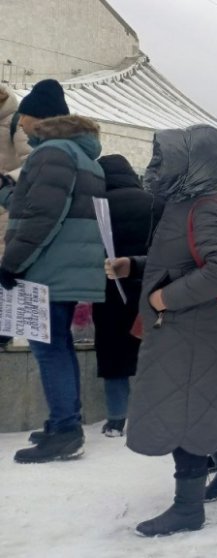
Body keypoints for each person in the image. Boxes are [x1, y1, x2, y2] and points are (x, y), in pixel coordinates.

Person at [106, 124, 217, 536]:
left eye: (165, 158)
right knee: (200, 403)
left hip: (191, 329)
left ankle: (188, 507)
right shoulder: (189, 202)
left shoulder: (204, 206)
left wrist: (165, 299)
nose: (156, 167)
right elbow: (181, 259)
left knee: (183, 412)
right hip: (188, 329)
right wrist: (134, 264)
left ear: (191, 162)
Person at [0, 79, 106, 463]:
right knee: (57, 346)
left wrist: (12, 263)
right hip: (66, 267)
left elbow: (43, 215)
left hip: (48, 268)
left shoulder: (52, 153)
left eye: (22, 116)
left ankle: (65, 429)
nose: (18, 124)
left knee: (50, 350)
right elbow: (40, 203)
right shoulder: (79, 154)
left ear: (33, 116)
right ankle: (64, 421)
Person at [91, 154, 164, 437]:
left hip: (109, 287)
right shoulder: (157, 203)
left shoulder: (97, 207)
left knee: (112, 351)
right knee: (151, 350)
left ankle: (116, 418)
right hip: (152, 286)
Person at [0, 84, 32, 351]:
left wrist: (6, 181)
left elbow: (34, 161)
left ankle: (4, 333)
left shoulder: (15, 122)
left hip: (4, 211)